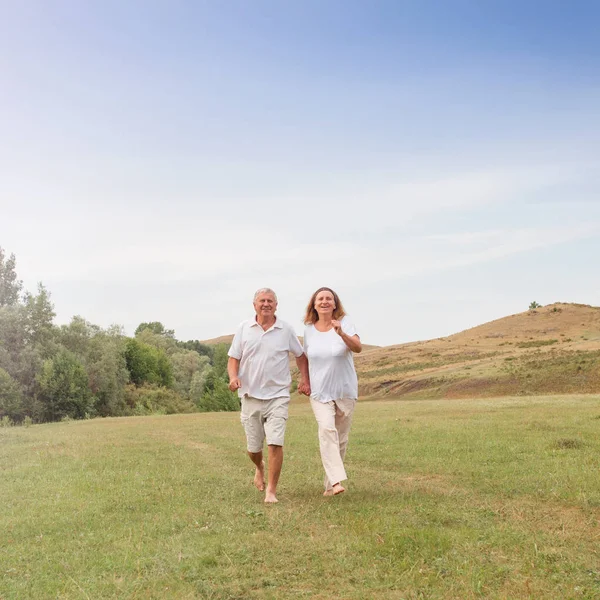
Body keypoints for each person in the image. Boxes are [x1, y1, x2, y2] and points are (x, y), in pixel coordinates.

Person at [228, 288, 310, 503]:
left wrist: (304, 380)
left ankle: (271, 491)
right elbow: (233, 358)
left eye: (270, 301)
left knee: (275, 443)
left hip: (278, 395)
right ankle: (259, 466)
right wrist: (233, 377)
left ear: (276, 305)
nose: (266, 304)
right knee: (254, 449)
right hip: (250, 396)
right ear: (254, 305)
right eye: (262, 301)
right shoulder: (244, 328)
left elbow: (300, 355)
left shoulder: (285, 330)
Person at [303, 287, 362, 496]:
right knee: (327, 430)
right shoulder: (308, 329)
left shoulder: (345, 322)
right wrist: (304, 381)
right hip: (319, 392)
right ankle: (337, 482)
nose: (325, 301)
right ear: (314, 304)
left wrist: (341, 333)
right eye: (320, 299)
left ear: (335, 304)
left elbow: (357, 347)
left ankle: (329, 487)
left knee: (341, 439)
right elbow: (305, 357)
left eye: (329, 298)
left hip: (344, 390)